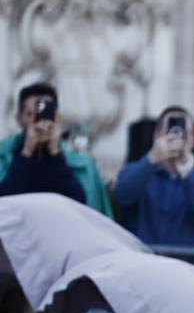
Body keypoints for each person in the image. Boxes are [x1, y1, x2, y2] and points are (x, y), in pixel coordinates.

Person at [111, 106, 194, 246]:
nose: (178, 136)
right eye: (171, 129)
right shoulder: (135, 170)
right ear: (157, 136)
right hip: (139, 262)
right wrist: (152, 159)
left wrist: (189, 175)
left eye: (185, 132)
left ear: (193, 140)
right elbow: (121, 196)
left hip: (180, 265)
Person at [0, 82, 111, 216]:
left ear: (57, 117)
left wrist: (55, 153)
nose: (38, 121)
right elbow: (4, 204)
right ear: (19, 118)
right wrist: (27, 152)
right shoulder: (4, 158)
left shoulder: (80, 164)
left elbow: (82, 208)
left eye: (44, 114)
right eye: (31, 114)